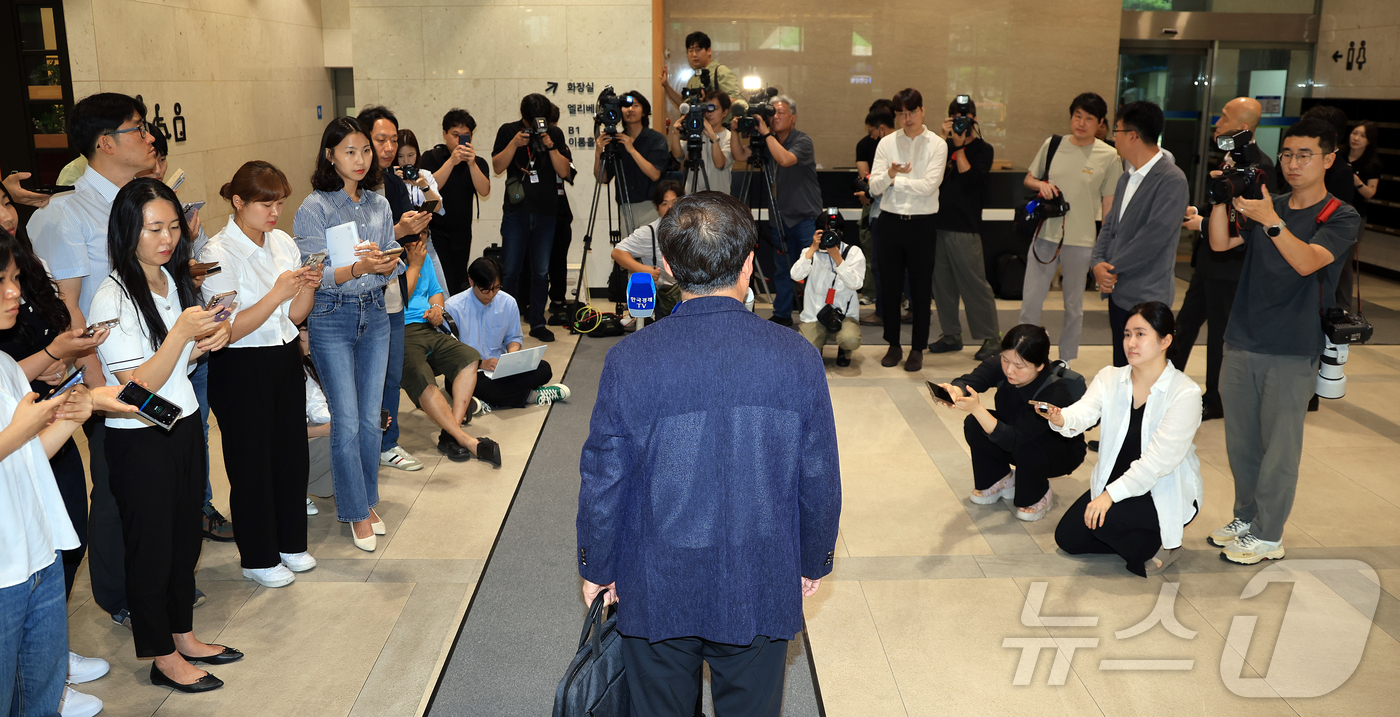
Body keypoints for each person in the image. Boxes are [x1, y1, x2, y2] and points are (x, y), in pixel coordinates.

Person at [577, 192, 841, 715]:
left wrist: (598, 564)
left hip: (656, 577)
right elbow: (818, 475)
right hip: (759, 573)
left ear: (668, 267)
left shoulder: (630, 359)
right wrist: (812, 558)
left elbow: (605, 477)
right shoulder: (797, 357)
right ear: (748, 264)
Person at [89, 178, 240, 693]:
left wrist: (206, 340)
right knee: (151, 548)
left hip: (182, 422)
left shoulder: (169, 281)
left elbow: (174, 367)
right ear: (127, 230)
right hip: (140, 438)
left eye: (173, 227)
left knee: (182, 540)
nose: (167, 238)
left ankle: (184, 635)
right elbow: (135, 388)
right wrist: (181, 334)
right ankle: (161, 656)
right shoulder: (111, 296)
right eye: (154, 228)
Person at [27, 91, 165, 630]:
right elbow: (66, 309)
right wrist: (99, 390)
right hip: (106, 379)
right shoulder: (67, 213)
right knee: (113, 487)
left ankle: (153, 579)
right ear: (105, 142)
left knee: (152, 482)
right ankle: (118, 594)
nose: (149, 137)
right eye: (138, 128)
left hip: (153, 364)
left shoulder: (138, 202)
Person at [1207, 117, 1360, 564]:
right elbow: (1219, 243)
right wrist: (1222, 197)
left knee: (1279, 448)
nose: (1293, 163)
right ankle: (1246, 516)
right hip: (1242, 337)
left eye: (1305, 155)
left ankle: (1269, 534)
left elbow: (1307, 261)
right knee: (1241, 441)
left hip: (1293, 346)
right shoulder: (1268, 204)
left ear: (1329, 159)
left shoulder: (1340, 215)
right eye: (1287, 154)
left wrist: (1272, 222)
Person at [0, 227, 119, 717]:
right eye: (0, 281)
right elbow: (15, 442)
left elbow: (29, 457)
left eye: (14, 278)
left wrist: (78, 410)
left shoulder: (6, 364)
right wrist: (20, 430)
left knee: (40, 693)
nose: (14, 292)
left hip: (37, 551)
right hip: (4, 567)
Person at [199, 161, 321, 588]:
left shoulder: (283, 242)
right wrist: (276, 293)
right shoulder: (216, 253)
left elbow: (295, 316)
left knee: (291, 455)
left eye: (280, 203)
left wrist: (308, 286)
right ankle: (257, 556)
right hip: (239, 365)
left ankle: (290, 543)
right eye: (265, 204)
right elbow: (226, 330)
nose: (274, 212)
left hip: (284, 356)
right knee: (251, 463)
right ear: (238, 201)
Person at [293, 116, 405, 553]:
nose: (360, 159)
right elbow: (313, 274)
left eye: (365, 150)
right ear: (330, 156)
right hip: (331, 317)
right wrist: (359, 267)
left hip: (375, 313)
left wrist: (385, 261)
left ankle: (367, 500)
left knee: (370, 418)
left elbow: (390, 262)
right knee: (347, 420)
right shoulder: (314, 207)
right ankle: (355, 511)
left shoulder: (378, 204)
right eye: (350, 151)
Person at [1047, 302, 1204, 576]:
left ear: (1165, 340)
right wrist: (1061, 418)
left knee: (1104, 523)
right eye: (1127, 334)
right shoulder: (1110, 377)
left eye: (1141, 334)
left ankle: (1165, 544)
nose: (1131, 343)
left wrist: (1108, 497)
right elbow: (1085, 411)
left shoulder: (1184, 393)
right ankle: (1138, 535)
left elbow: (1157, 462)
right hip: (1115, 479)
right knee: (1069, 539)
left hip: (1159, 488)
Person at [1174, 97, 1275, 421]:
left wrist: (1202, 224)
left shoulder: (1262, 167)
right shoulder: (1231, 158)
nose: (1217, 122)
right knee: (1183, 326)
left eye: (1224, 117)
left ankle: (1215, 400)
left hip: (1232, 267)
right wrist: (1198, 212)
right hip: (1208, 263)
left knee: (1219, 336)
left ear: (1243, 127)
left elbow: (1249, 222)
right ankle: (1165, 386)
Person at [934, 324, 1086, 521]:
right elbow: (971, 381)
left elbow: (1015, 438)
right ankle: (999, 479)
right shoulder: (1003, 366)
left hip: (1056, 452)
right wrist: (954, 390)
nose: (1009, 370)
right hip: (1015, 437)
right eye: (1005, 359)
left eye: (1019, 366)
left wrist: (977, 408)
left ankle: (1038, 493)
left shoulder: (1055, 391)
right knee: (975, 424)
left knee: (1026, 443)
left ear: (1040, 365)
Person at [1017, 92, 1123, 367]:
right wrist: (1041, 185)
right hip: (1045, 234)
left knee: (1073, 305)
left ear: (1100, 123)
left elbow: (1109, 204)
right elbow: (1029, 178)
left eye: (1089, 119)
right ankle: (1024, 354)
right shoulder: (1053, 145)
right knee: (1031, 301)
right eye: (1077, 116)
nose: (1081, 123)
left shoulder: (1110, 156)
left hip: (1082, 240)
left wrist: (1106, 246)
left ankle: (1065, 359)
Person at [357, 106, 430, 474]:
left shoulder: (396, 184)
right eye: (380, 140)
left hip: (392, 293)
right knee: (363, 376)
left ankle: (387, 442)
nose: (388, 148)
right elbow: (355, 247)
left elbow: (404, 242)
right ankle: (363, 442)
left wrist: (415, 227)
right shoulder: (347, 189)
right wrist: (398, 231)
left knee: (390, 373)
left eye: (393, 140)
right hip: (358, 297)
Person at [1091, 101, 1190, 368]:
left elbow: (1153, 238)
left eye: (1117, 130)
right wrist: (1097, 263)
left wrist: (1111, 269)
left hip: (1148, 293)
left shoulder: (1171, 179)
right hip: (1119, 290)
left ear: (1133, 135)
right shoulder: (1127, 177)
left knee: (1143, 371)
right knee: (1121, 368)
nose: (1114, 137)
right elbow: (1110, 225)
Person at [398, 239, 502, 466]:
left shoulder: (424, 257)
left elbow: (436, 292)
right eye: (417, 234)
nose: (421, 240)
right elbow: (399, 298)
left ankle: (450, 434)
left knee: (469, 358)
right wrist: (413, 265)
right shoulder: (392, 259)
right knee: (420, 374)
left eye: (424, 234)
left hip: (427, 326)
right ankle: (465, 440)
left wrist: (437, 309)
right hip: (399, 330)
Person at [867, 88, 946, 372]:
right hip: (890, 221)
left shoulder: (937, 144)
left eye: (912, 112)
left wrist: (894, 180)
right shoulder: (887, 143)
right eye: (901, 113)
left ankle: (917, 348)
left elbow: (929, 186)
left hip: (922, 224)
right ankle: (893, 344)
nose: (907, 118)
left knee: (921, 289)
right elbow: (874, 187)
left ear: (922, 111)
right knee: (889, 287)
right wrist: (889, 174)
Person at [730, 94, 822, 327]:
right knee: (782, 270)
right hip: (779, 218)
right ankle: (782, 314)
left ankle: (814, 315)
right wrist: (734, 132)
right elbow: (740, 156)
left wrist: (766, 134)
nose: (776, 117)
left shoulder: (803, 140)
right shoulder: (767, 141)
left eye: (781, 113)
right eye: (773, 113)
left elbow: (785, 159)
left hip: (803, 218)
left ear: (793, 118)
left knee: (810, 269)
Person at [493, 94, 573, 342]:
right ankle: (505, 326)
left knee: (541, 272)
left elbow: (565, 171)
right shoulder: (508, 131)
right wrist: (514, 144)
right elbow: (497, 166)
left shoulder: (554, 134)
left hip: (546, 214)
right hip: (516, 213)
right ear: (524, 118)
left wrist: (551, 146)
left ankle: (537, 322)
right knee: (510, 271)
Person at [444, 258, 569, 410]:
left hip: (499, 368)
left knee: (544, 369)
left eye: (496, 288)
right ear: (471, 282)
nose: (491, 294)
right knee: (458, 383)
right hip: (468, 369)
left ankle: (483, 399)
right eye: (486, 290)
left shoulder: (507, 302)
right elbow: (448, 353)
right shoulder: (453, 307)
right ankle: (531, 396)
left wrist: (512, 358)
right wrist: (481, 363)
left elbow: (514, 337)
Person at [929, 96, 1001, 361]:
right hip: (937, 224)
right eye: (955, 118)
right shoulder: (942, 146)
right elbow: (928, 173)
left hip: (966, 227)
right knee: (942, 285)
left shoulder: (984, 149)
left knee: (975, 285)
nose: (960, 123)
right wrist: (942, 138)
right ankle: (951, 334)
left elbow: (971, 181)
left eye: (964, 118)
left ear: (974, 120)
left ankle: (991, 337)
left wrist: (959, 148)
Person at [418, 109, 491, 295]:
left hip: (462, 231)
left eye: (465, 136)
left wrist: (471, 164)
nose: (460, 141)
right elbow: (427, 188)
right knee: (441, 279)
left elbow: (484, 190)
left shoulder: (478, 162)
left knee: (459, 279)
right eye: (455, 135)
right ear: (444, 134)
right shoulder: (431, 157)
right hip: (435, 229)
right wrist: (451, 162)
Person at [791, 219, 864, 366]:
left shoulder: (853, 252)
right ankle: (817, 348)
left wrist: (838, 259)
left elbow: (856, 284)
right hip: (815, 315)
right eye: (823, 233)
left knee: (850, 339)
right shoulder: (810, 252)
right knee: (804, 349)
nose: (827, 238)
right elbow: (795, 275)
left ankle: (845, 350)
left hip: (844, 316)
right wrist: (812, 248)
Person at [595, 90, 669, 235]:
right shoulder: (615, 141)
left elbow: (655, 174)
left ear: (644, 112)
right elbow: (602, 178)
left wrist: (631, 149)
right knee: (627, 248)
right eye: (626, 106)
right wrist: (598, 153)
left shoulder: (656, 139)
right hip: (625, 206)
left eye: (635, 105)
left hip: (651, 206)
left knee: (651, 248)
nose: (630, 109)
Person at [610, 181, 683, 318]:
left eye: (675, 202)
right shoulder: (649, 232)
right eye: (664, 204)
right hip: (667, 299)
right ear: (657, 207)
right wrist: (643, 269)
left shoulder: (694, 227)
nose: (671, 208)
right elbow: (617, 252)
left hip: (693, 295)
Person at [394, 128, 450, 292]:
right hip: (399, 243)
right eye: (401, 156)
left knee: (440, 289)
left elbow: (438, 207)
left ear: (417, 154)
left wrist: (423, 185)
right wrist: (394, 181)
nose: (406, 161)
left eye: (410, 155)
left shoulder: (425, 175)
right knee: (405, 291)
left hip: (424, 241)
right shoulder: (389, 178)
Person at [856, 104, 896, 325]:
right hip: (883, 212)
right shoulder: (877, 145)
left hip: (886, 213)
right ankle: (889, 310)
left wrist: (871, 187)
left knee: (882, 266)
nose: (871, 136)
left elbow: (876, 184)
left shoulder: (890, 146)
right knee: (885, 266)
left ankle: (883, 312)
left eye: (872, 131)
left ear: (881, 128)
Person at [661, 31, 745, 121]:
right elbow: (685, 105)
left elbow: (738, 103)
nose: (694, 54)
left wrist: (710, 101)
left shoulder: (720, 71)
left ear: (709, 51)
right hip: (698, 127)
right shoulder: (693, 79)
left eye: (698, 50)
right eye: (690, 50)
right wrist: (666, 85)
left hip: (720, 128)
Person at [1341, 120, 1380, 312]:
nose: (1356, 138)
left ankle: (1343, 306)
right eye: (1354, 133)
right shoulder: (1339, 156)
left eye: (1362, 135)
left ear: (1369, 141)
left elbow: (1370, 193)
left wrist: (1355, 180)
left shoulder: (1372, 164)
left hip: (1355, 216)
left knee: (1345, 261)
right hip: (1332, 211)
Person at [545, 102, 578, 323]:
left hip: (559, 209)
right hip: (533, 209)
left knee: (558, 257)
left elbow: (569, 174)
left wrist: (553, 148)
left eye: (553, 125)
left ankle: (557, 300)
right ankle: (528, 301)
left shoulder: (560, 147)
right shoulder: (527, 145)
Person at [667, 89, 733, 195]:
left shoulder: (730, 137)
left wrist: (713, 137)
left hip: (718, 197)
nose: (709, 113)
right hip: (692, 196)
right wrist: (676, 134)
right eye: (706, 109)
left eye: (714, 109)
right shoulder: (696, 131)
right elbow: (678, 155)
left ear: (725, 112)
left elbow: (720, 164)